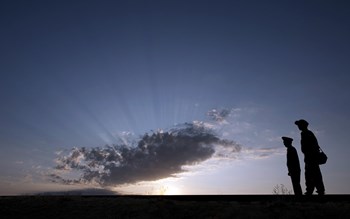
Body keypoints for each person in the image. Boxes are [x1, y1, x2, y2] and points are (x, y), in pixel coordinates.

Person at [295, 119, 325, 195]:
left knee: (312, 174)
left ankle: (315, 190)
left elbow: (311, 146)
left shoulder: (306, 133)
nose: (298, 126)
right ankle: (313, 190)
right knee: (311, 174)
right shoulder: (307, 133)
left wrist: (310, 154)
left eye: (299, 125)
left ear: (303, 125)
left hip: (311, 158)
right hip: (310, 158)